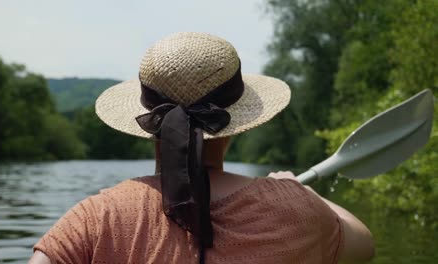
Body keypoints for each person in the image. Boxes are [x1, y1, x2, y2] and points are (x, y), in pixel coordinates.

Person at [29, 32, 374, 264]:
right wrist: (297, 189)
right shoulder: (298, 209)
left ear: (151, 127)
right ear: (234, 129)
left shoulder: (97, 217)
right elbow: (364, 244)